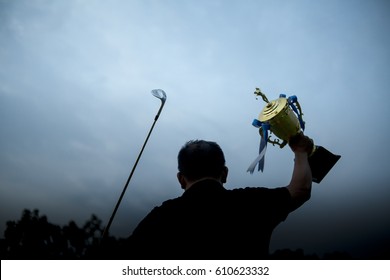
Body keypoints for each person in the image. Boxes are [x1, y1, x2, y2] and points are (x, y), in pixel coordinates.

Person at [124, 133, 313, 259]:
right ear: (224, 173)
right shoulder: (251, 203)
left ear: (181, 179)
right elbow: (300, 190)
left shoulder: (159, 217)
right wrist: (301, 151)